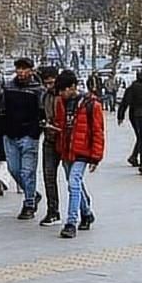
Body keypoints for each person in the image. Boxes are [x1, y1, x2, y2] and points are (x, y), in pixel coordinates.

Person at [52, 69, 105, 238]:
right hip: (67, 149)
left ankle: (71, 222)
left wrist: (96, 157)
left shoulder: (91, 105)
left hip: (83, 150)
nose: (62, 93)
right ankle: (87, 213)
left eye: (64, 90)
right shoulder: (61, 102)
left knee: (73, 183)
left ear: (73, 87)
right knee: (75, 183)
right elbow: (61, 123)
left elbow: (98, 131)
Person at [0, 57, 46, 219]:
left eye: (25, 69)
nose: (22, 72)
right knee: (13, 169)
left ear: (31, 70)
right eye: (19, 69)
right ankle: (32, 193)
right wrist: (1, 129)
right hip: (10, 135)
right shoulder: (9, 88)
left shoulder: (38, 90)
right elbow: (0, 110)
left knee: (27, 172)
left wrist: (35, 131)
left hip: (29, 136)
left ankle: (29, 203)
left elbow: (42, 113)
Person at [36, 66, 64, 226]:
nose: (48, 86)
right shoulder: (44, 96)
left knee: (73, 179)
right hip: (49, 139)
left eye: (51, 82)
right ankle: (53, 211)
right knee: (49, 176)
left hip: (64, 140)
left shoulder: (65, 96)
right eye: (46, 83)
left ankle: (85, 210)